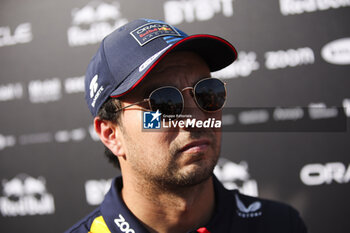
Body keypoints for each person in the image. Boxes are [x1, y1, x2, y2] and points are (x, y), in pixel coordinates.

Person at [65, 18, 307, 233]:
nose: (197, 118)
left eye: (207, 92)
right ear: (111, 134)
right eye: (164, 102)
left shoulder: (279, 224)